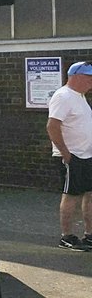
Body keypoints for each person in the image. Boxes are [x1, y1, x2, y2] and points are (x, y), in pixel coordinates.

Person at [46, 60, 92, 250]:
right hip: (72, 156)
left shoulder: (79, 96)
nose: (91, 83)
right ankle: (67, 237)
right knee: (71, 195)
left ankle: (89, 235)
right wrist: (66, 154)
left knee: (89, 194)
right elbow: (52, 126)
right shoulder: (63, 96)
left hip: (87, 155)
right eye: (89, 79)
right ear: (77, 77)